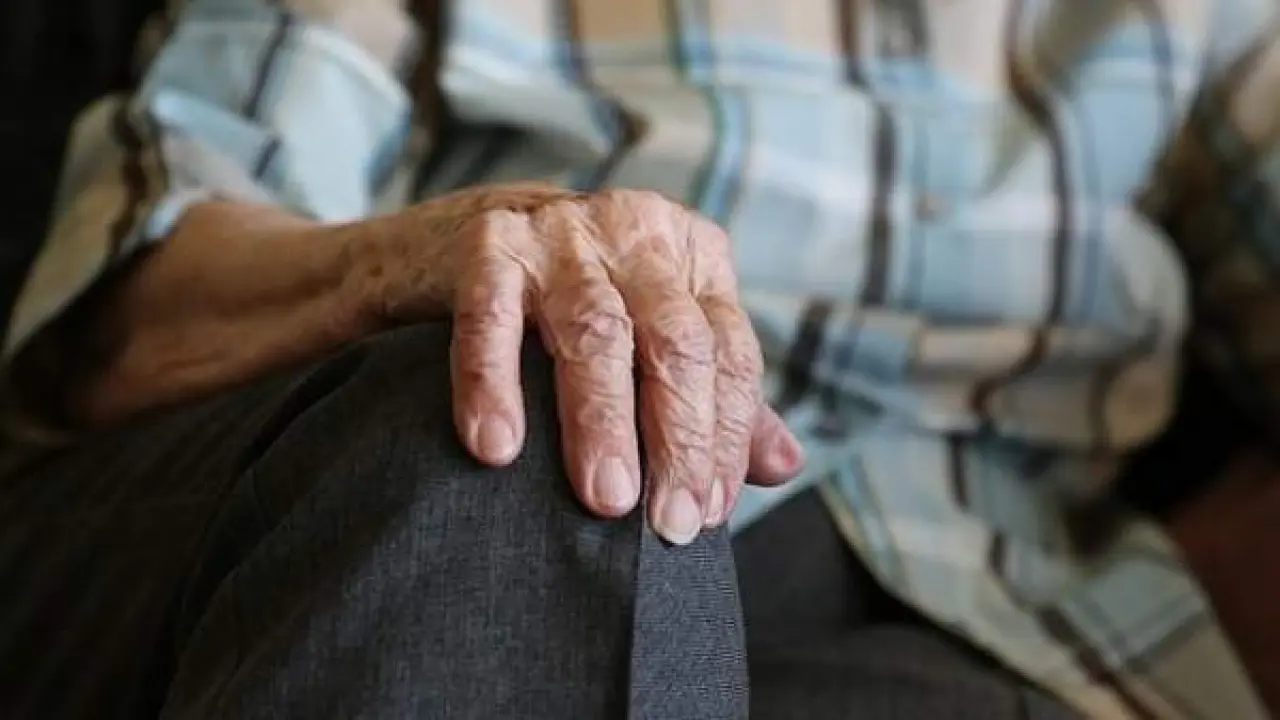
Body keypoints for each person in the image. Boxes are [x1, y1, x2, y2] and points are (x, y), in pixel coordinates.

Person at [1, 0, 1276, 716]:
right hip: (426, 534)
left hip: (1002, 616)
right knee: (539, 392)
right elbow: (128, 304)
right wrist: (439, 257)